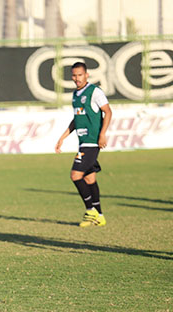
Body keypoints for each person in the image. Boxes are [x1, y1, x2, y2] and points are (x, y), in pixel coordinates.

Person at [55, 61, 112, 227]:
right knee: (89, 178)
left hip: (92, 142)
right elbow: (77, 119)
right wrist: (63, 137)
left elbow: (108, 111)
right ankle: (99, 215)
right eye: (74, 75)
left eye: (80, 75)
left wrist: (102, 134)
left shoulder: (95, 92)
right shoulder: (75, 94)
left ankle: (90, 210)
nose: (76, 78)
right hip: (83, 142)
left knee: (75, 175)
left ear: (86, 75)